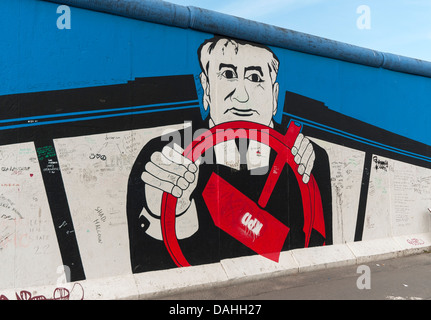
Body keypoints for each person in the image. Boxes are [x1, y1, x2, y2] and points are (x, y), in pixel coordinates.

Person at [126, 36, 332, 273]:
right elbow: (149, 275)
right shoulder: (166, 155)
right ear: (206, 87)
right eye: (227, 74)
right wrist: (165, 213)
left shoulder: (308, 158)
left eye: (255, 78)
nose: (241, 96)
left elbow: (318, 258)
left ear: (274, 96)